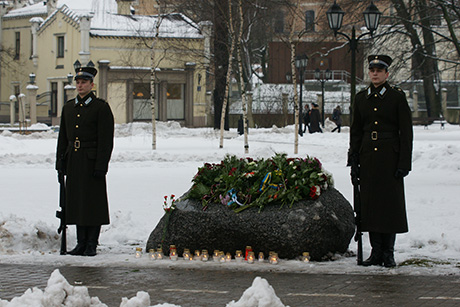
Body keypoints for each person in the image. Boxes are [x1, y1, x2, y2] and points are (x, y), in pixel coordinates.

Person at [348, 55, 413, 267]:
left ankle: (388, 252)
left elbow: (406, 133)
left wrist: (404, 163)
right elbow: (356, 131)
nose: (375, 73)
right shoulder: (361, 98)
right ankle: (376, 251)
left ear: (387, 73)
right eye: (372, 69)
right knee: (371, 205)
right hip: (368, 158)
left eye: (379, 70)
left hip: (389, 158)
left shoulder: (396, 97)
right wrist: (354, 159)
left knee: (389, 206)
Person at [56, 66, 114, 256]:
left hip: (91, 160)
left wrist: (101, 165)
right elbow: (63, 138)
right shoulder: (69, 107)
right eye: (78, 82)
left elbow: (106, 141)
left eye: (84, 82)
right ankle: (81, 242)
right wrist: (60, 162)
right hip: (74, 159)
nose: (80, 86)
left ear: (92, 84)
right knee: (77, 201)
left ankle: (91, 243)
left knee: (93, 202)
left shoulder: (100, 107)